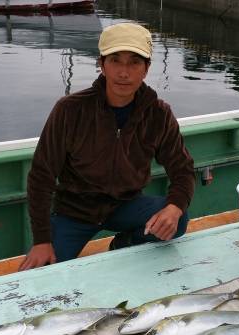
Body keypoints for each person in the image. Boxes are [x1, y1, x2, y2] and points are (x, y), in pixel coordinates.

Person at [19, 22, 195, 270]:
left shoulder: (158, 113)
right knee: (41, 271)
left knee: (178, 220)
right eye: (115, 60)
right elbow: (41, 177)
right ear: (101, 64)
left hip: (126, 205)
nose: (124, 72)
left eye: (134, 62)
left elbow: (183, 169)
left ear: (146, 69)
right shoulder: (70, 110)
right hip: (74, 212)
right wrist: (41, 240)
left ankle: (124, 243)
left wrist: (175, 207)